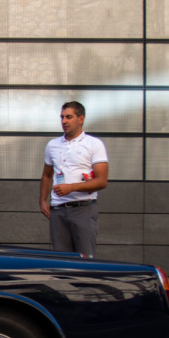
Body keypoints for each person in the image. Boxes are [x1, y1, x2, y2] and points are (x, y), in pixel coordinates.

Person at [39, 100, 108, 257]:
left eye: (69, 117)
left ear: (81, 119)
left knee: (85, 258)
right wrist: (43, 200)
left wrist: (71, 187)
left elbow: (102, 181)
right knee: (61, 260)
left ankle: (86, 283)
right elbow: (47, 175)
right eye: (62, 117)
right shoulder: (52, 145)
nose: (64, 121)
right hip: (58, 210)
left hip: (83, 208)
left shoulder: (94, 144)